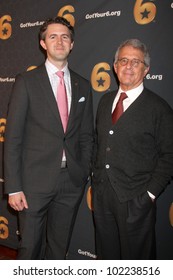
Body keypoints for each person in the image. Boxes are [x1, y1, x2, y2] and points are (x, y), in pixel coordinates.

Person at [4, 16, 94, 259]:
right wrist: (13, 187)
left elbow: (86, 135)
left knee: (58, 248)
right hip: (33, 183)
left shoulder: (83, 85)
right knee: (29, 248)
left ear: (72, 44)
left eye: (65, 37)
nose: (59, 41)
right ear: (43, 43)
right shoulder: (26, 82)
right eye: (52, 36)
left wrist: (82, 171)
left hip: (71, 181)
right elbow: (13, 138)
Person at [92, 38, 173, 260]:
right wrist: (96, 181)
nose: (128, 66)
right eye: (123, 60)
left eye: (135, 62)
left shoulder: (159, 109)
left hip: (136, 199)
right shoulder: (105, 101)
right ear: (115, 66)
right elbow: (98, 142)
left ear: (146, 69)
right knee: (106, 257)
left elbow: (169, 156)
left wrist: (149, 194)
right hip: (102, 196)